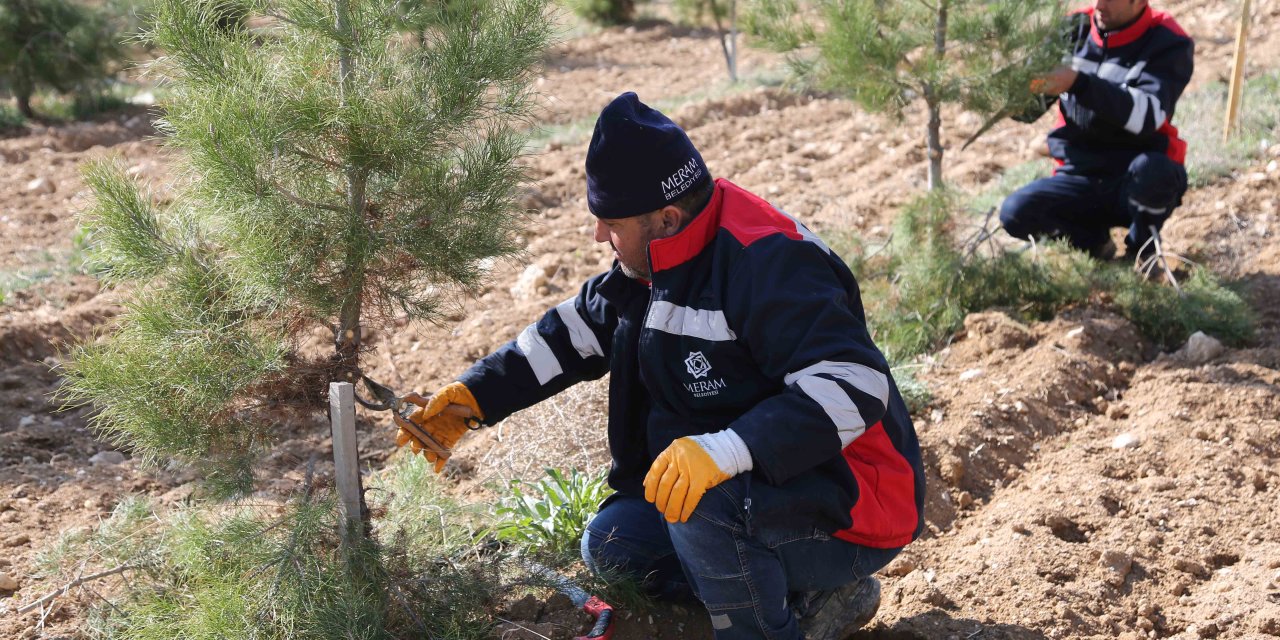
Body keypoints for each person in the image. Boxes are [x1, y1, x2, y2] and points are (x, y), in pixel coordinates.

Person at [394, 92, 925, 640]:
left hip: (855, 504)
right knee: (615, 543)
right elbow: (571, 334)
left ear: (666, 218)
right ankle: (813, 601)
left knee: (702, 503)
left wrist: (726, 449)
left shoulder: (767, 261)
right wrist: (474, 398)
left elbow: (856, 384)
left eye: (610, 222)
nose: (600, 235)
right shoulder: (654, 264)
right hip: (764, 492)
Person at [999, 0, 1194, 261]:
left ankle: (1141, 254)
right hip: (1079, 174)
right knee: (1016, 213)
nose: (1099, 4)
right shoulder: (1073, 28)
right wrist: (1012, 86)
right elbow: (1026, 111)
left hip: (1134, 175)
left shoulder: (1168, 40)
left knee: (1156, 172)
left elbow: (1147, 116)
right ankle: (1093, 245)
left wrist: (1079, 83)